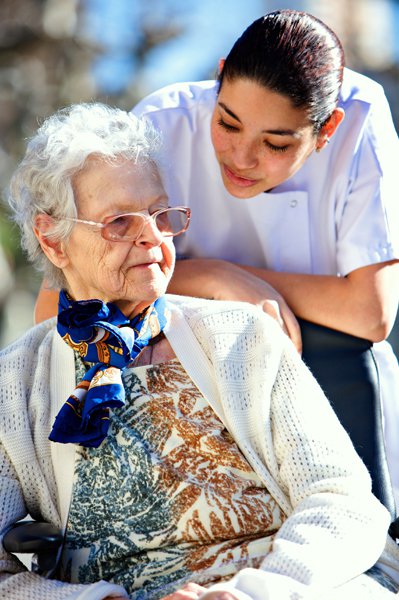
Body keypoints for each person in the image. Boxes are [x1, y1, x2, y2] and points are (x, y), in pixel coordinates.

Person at [2, 103, 399, 600]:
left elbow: (342, 500)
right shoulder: (16, 383)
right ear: (52, 240)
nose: (152, 236)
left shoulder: (241, 336)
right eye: (120, 222)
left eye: (160, 214)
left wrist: (257, 590)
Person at [34, 10, 399, 510]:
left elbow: (370, 312)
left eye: (275, 143)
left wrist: (238, 281)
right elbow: (59, 303)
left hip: (333, 395)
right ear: (219, 75)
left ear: (327, 129)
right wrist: (212, 278)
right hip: (188, 407)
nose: (242, 158)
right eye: (227, 122)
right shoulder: (160, 123)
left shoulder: (360, 115)